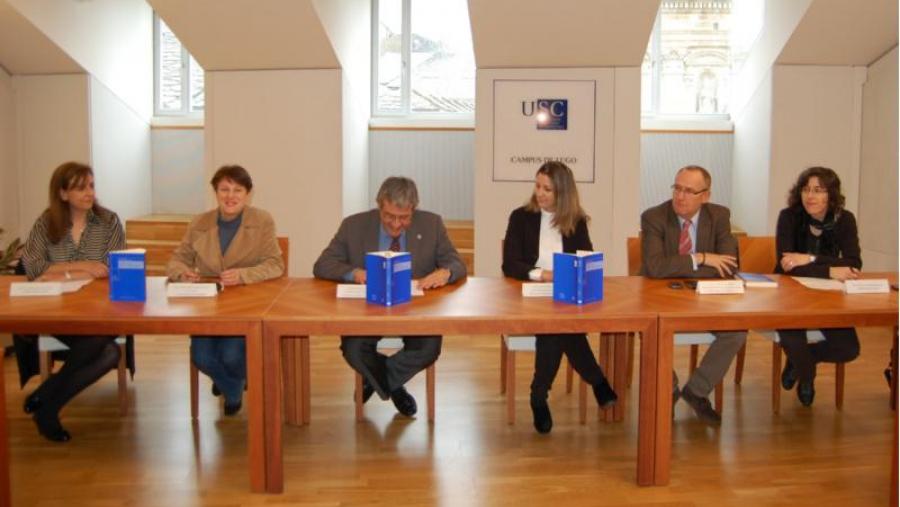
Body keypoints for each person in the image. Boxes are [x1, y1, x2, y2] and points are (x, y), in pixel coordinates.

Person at [313, 176, 466, 417]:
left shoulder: (431, 224)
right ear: (379, 205)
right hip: (368, 308)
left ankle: (377, 381)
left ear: (413, 209)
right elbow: (323, 265)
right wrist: (356, 273)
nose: (395, 224)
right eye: (389, 216)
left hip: (415, 310)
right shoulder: (354, 225)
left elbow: (456, 262)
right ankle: (395, 388)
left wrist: (446, 272)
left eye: (403, 218)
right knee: (353, 349)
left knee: (429, 348)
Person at [502, 161, 617, 434]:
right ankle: (597, 381)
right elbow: (510, 265)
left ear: (563, 193)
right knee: (561, 329)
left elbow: (584, 258)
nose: (540, 193)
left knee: (559, 327)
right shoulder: (521, 217)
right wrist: (541, 275)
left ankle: (538, 395)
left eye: (548, 189)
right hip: (528, 295)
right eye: (538, 186)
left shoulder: (576, 221)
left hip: (563, 296)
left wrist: (575, 272)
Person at [18, 162, 126, 442]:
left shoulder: (108, 221)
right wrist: (80, 266)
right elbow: (32, 264)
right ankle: (48, 406)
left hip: (101, 310)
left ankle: (46, 398)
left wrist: (62, 268)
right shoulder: (46, 222)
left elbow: (111, 266)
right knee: (109, 353)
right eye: (80, 188)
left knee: (107, 348)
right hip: (54, 311)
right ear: (63, 193)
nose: (89, 193)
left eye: (91, 185)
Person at [167, 165, 284, 415]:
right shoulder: (200, 222)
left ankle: (229, 387)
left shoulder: (262, 220)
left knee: (231, 355)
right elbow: (177, 260)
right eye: (224, 189)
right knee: (201, 357)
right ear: (215, 192)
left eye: (237, 190)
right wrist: (182, 273)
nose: (230, 196)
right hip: (207, 306)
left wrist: (243, 275)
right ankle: (233, 385)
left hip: (246, 305)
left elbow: (276, 264)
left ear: (248, 193)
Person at [640, 165, 747, 426]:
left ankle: (697, 391)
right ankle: (669, 388)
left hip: (704, 299)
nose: (680, 196)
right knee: (653, 329)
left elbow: (729, 266)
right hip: (661, 298)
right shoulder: (654, 217)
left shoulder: (719, 216)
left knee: (736, 331)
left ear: (705, 196)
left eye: (689, 191)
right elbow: (655, 267)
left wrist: (681, 267)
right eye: (677, 188)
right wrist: (700, 258)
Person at [775, 167, 861, 406]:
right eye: (806, 189)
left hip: (828, 297)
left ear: (831, 195)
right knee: (793, 339)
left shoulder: (845, 219)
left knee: (849, 349)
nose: (810, 196)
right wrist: (830, 269)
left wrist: (810, 259)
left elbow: (853, 263)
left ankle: (801, 362)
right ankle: (807, 377)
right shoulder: (789, 217)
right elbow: (787, 264)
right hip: (789, 295)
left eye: (818, 190)